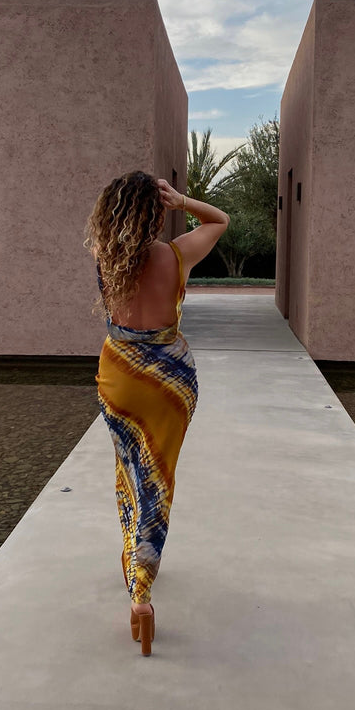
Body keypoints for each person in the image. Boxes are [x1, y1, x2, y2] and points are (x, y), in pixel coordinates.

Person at [84, 170, 230, 655]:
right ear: (155, 212)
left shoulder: (106, 258)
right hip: (170, 382)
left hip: (121, 377)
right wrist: (182, 200)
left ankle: (136, 565)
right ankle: (143, 581)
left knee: (129, 471)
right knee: (158, 477)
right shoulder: (175, 255)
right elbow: (220, 220)